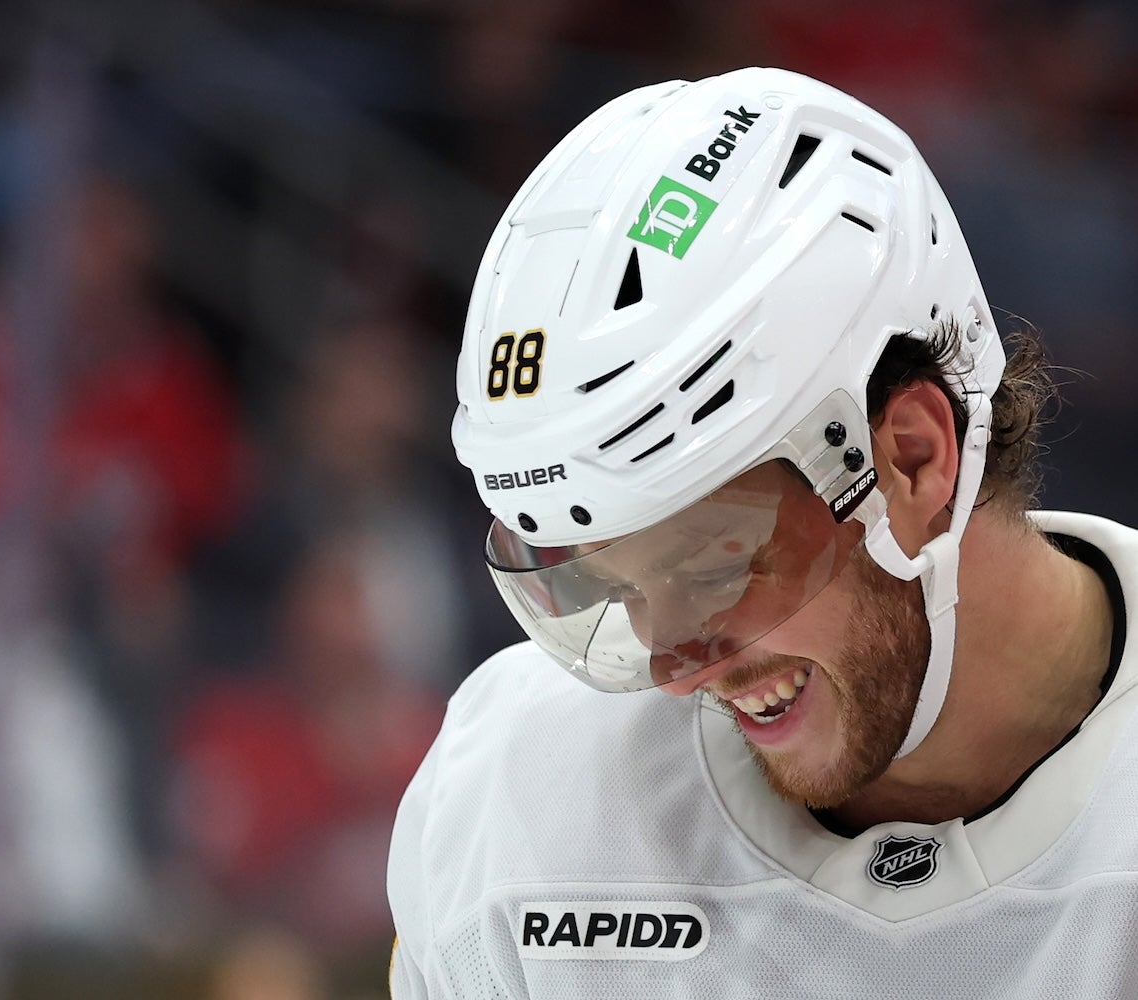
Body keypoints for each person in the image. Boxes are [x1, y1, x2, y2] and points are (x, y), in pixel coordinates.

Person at [387, 66, 1138, 997]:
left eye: (710, 568)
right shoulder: (516, 808)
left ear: (910, 457)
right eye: (615, 588)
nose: (673, 666)